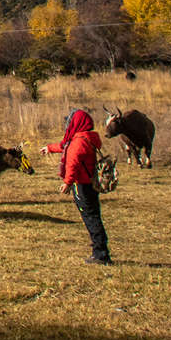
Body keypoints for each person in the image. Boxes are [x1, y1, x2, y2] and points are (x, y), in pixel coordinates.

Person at [45, 108, 112, 264]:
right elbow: (65, 146)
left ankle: (100, 253)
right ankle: (100, 249)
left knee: (91, 217)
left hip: (82, 185)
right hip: (90, 183)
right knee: (93, 215)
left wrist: (67, 182)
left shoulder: (79, 141)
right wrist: (49, 148)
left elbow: (73, 163)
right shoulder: (86, 137)